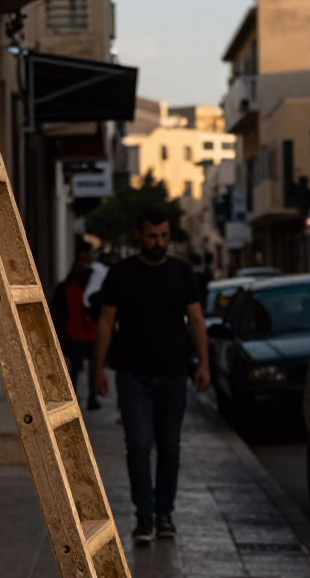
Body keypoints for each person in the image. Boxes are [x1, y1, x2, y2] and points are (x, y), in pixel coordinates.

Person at [93, 210, 210, 543]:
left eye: (163, 236)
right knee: (139, 445)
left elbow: (197, 320)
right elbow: (105, 322)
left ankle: (165, 514)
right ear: (138, 236)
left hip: (174, 373)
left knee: (170, 447)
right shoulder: (120, 274)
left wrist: (204, 363)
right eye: (152, 236)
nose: (159, 242)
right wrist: (98, 368)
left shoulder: (182, 272)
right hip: (132, 374)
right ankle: (144, 517)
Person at [51, 243, 99, 410]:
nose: (84, 264)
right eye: (82, 260)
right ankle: (73, 398)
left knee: (93, 369)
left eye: (87, 261)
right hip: (74, 334)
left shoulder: (94, 287)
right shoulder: (66, 288)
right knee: (74, 369)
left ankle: (92, 397)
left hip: (92, 335)